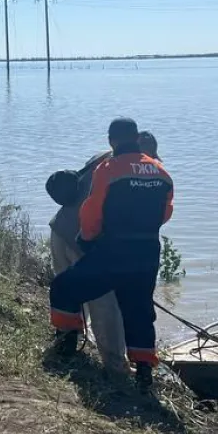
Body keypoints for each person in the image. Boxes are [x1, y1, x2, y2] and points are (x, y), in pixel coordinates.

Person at [49, 118, 174, 391]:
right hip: (145, 251)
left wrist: (90, 241)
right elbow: (165, 213)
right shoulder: (161, 172)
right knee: (139, 310)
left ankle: (70, 345)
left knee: (68, 288)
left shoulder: (107, 167)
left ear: (112, 140)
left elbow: (92, 212)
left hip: (106, 246)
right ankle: (142, 372)